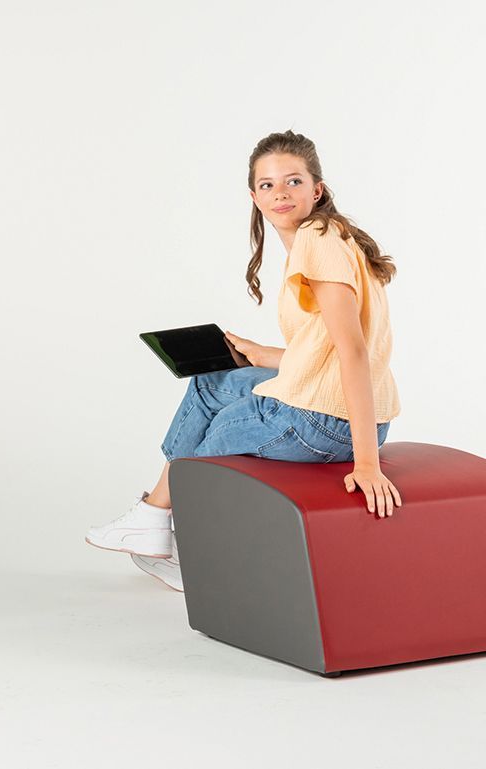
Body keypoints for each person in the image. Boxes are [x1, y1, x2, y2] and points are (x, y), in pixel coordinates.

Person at [85, 129, 403, 591]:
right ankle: (152, 517)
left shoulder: (318, 243)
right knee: (212, 381)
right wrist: (264, 354)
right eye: (268, 184)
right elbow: (329, 349)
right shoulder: (326, 235)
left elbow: (354, 352)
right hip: (331, 406)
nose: (280, 193)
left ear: (318, 189)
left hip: (327, 422)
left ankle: (185, 548)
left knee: (216, 434)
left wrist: (367, 464)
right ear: (254, 196)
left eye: (293, 181)